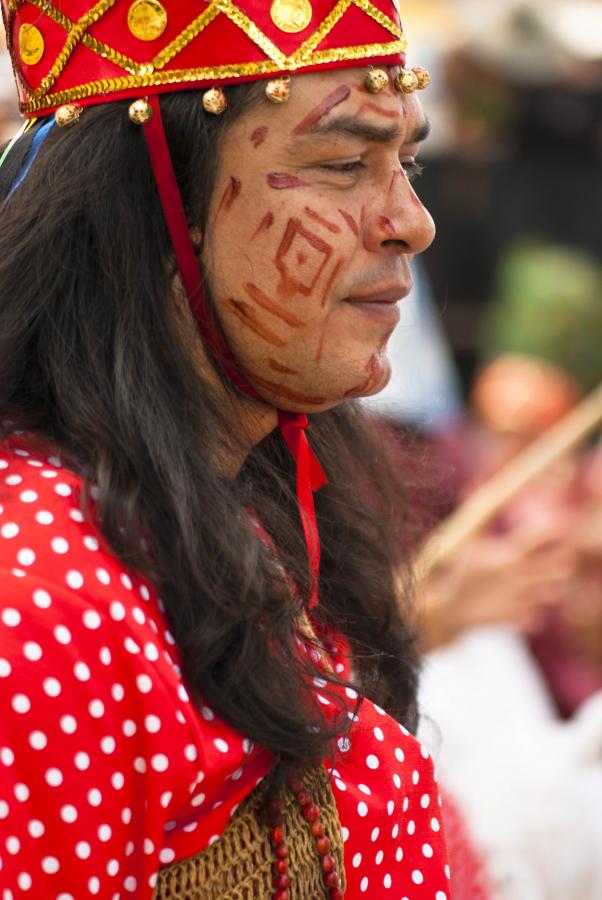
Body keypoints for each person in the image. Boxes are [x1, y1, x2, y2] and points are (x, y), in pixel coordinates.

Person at [0, 0, 450, 896]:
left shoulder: (236, 504)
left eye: (406, 162)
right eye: (341, 164)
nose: (412, 221)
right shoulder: (44, 592)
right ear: (157, 213)